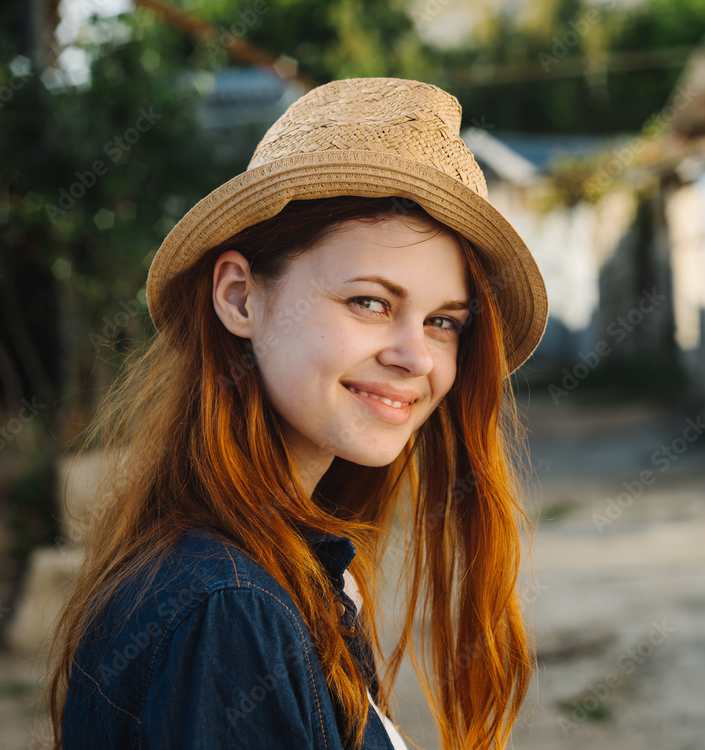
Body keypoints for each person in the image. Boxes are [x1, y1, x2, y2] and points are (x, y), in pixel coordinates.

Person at [49, 77, 548, 749]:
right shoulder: (226, 610)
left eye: (443, 321)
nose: (416, 357)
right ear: (239, 298)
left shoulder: (292, 570)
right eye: (370, 302)